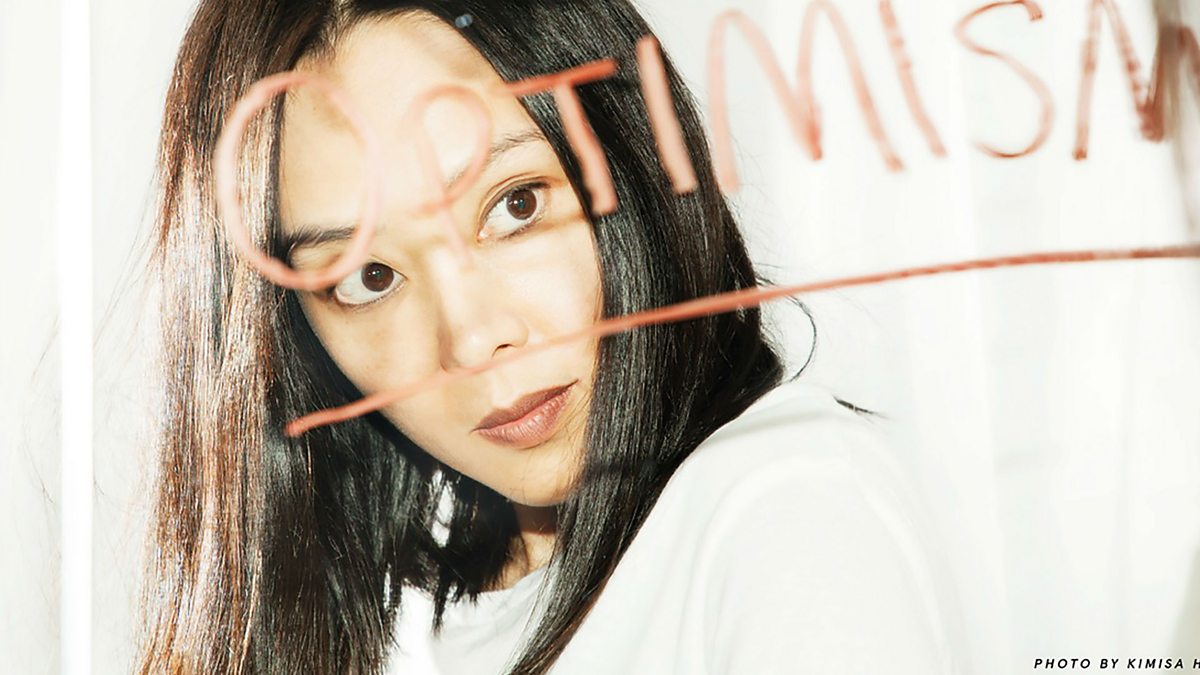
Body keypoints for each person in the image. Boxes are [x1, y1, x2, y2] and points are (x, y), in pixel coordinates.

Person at [136, 0, 963, 673]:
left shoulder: (783, 507)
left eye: (516, 205)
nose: (473, 338)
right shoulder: (414, 614)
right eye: (369, 278)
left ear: (630, 159)